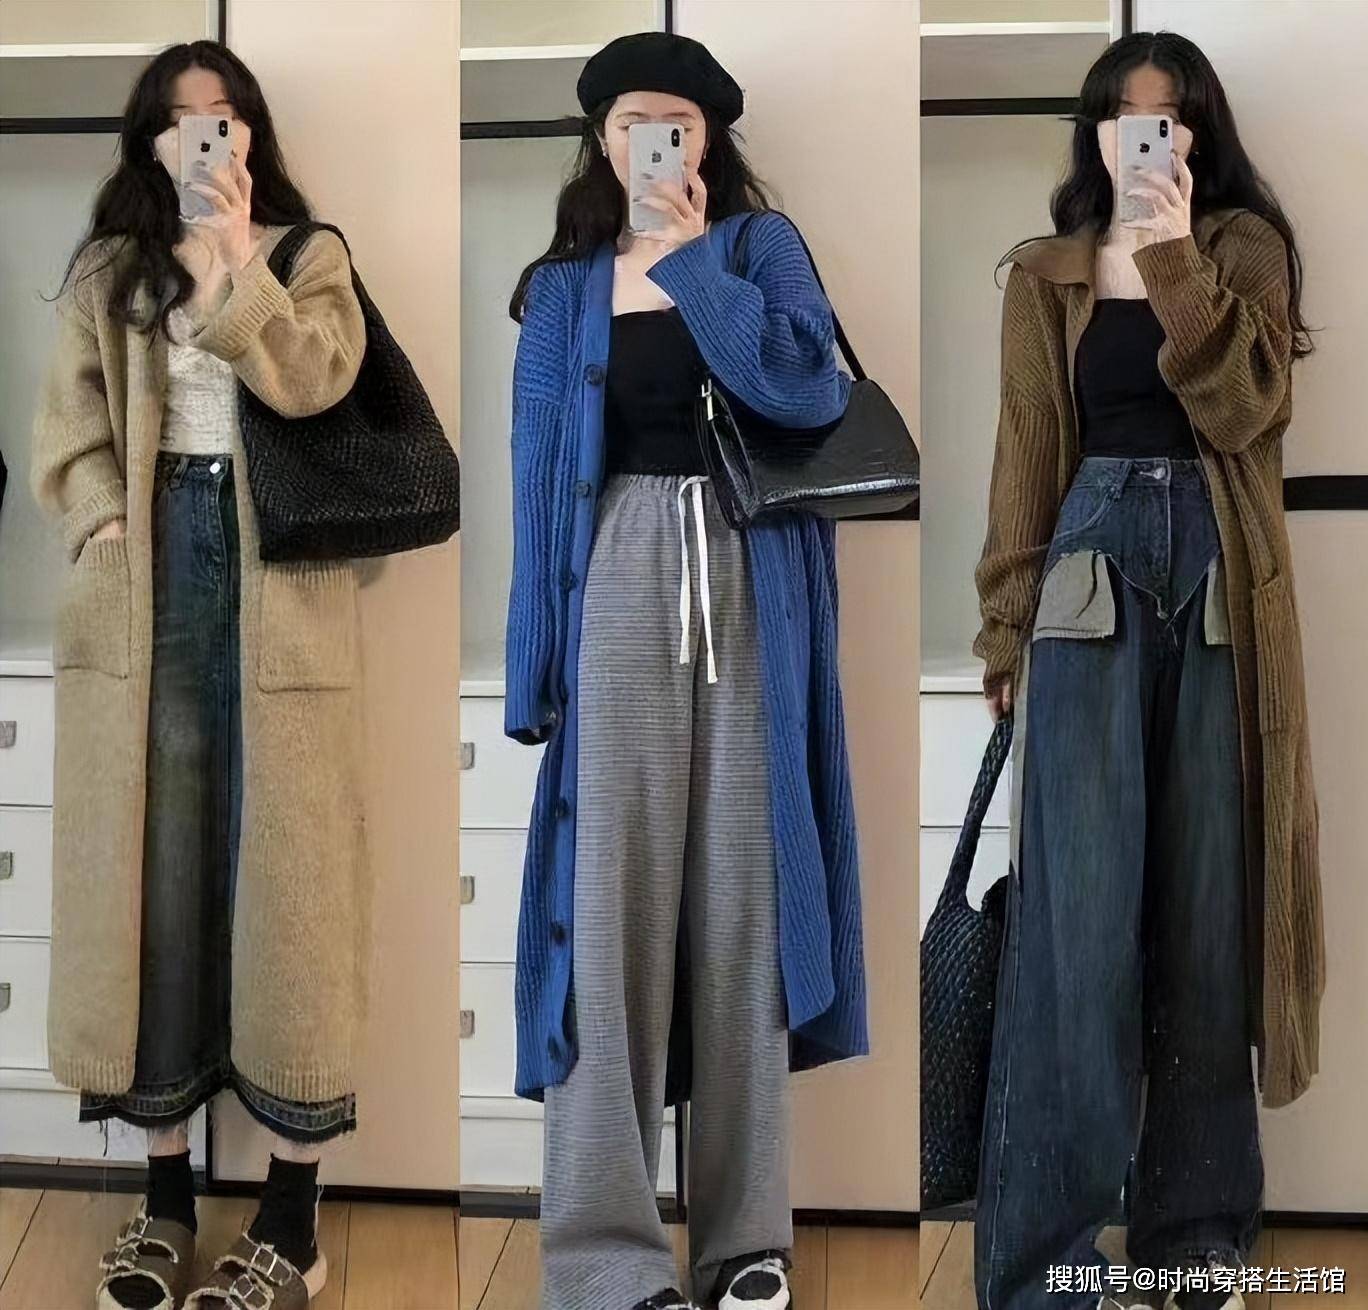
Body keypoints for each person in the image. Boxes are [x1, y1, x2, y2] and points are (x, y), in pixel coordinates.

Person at [503, 31, 867, 1310]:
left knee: (745, 908)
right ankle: (603, 1257)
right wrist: (531, 668)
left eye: (679, 121)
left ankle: (746, 1241)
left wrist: (696, 260)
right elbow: (539, 478)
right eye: (631, 120)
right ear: (599, 137)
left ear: (710, 137)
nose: (653, 140)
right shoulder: (562, 289)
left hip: (752, 577)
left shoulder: (760, 249)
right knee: (606, 913)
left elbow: (807, 391)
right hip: (614, 576)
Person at [970, 31, 1322, 1310]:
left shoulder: (1244, 252)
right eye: (1126, 116)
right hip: (1084, 585)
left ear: (1200, 132)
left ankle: (1198, 1237)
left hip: (1227, 593)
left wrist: (1171, 256)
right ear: (1096, 130)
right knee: (1074, 930)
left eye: (1170, 118)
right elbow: (1027, 451)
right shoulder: (1046, 272)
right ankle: (1045, 1266)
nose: (1147, 136)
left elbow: (1247, 414)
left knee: (1209, 920)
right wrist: (1004, 629)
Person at [32, 40, 371, 1310]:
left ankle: (292, 1214)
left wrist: (235, 260)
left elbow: (318, 383)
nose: (203, 138)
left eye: (223, 118)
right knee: (159, 868)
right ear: (149, 139)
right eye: (181, 121)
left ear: (250, 132)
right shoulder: (109, 270)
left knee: (290, 879)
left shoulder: (307, 255)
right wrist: (104, 516)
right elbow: (68, 422)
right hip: (151, 570)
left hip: (278, 569)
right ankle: (166, 1193)